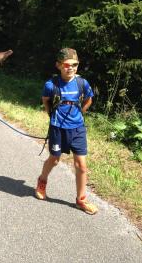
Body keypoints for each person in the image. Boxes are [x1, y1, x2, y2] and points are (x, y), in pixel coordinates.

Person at [35, 48, 98, 215]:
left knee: (81, 165)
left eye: (74, 65)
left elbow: (88, 100)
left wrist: (79, 114)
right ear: (58, 65)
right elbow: (46, 101)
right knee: (54, 160)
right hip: (57, 129)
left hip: (77, 128)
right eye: (66, 64)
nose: (70, 68)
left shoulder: (82, 83)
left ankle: (81, 200)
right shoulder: (51, 85)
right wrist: (52, 115)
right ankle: (42, 181)